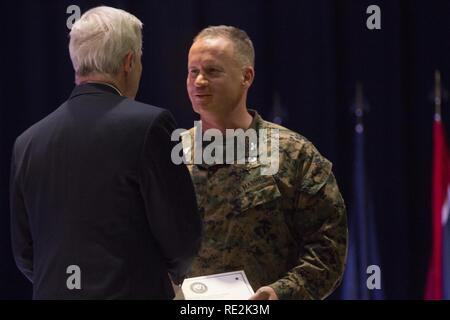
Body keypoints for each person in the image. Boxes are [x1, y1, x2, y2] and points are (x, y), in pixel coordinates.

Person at [9, 6, 201, 299]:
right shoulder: (151, 125)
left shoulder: (27, 142)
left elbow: (24, 253)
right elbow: (181, 238)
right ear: (128, 61)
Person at [183, 25, 348, 300]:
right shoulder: (170, 155)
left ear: (246, 77)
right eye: (193, 71)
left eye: (212, 71)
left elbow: (328, 248)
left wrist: (279, 293)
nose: (199, 81)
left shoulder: (294, 155)